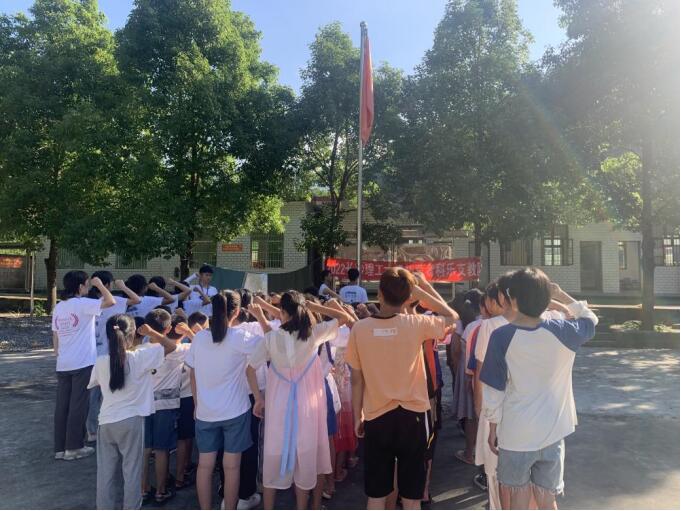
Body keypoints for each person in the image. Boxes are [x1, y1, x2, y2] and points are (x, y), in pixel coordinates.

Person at [481, 269, 598, 510]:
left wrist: (492, 427)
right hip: (554, 431)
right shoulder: (564, 331)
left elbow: (494, 390)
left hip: (515, 433)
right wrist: (562, 295)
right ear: (546, 299)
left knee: (518, 500)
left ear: (512, 298)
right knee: (547, 500)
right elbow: (590, 319)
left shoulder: (501, 336)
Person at [345, 268, 458, 510]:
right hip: (413, 416)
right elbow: (452, 317)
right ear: (407, 297)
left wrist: (357, 416)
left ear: (380, 294)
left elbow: (356, 379)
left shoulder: (360, 329)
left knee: (376, 493)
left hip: (376, 415)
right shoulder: (416, 324)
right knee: (412, 495)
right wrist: (421, 290)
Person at [245, 292, 354, 510]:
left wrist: (258, 398)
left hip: (278, 408)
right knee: (305, 459)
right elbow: (345, 317)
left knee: (273, 459)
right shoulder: (313, 334)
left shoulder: (271, 338)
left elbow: (250, 369)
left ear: (283, 312)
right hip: (308, 408)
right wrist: (317, 307)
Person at [185, 291, 266, 510]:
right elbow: (270, 343)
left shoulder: (200, 338)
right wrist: (262, 317)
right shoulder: (240, 337)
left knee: (204, 466)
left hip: (205, 412)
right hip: (236, 412)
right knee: (232, 467)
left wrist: (197, 404)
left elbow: (192, 373)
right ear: (237, 311)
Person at [88, 314, 175, 509]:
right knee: (132, 473)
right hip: (132, 421)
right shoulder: (140, 357)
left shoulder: (101, 361)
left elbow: (96, 384)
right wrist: (153, 333)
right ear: (133, 334)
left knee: (105, 474)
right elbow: (171, 346)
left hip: (106, 421)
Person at [52, 271, 115, 461]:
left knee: (62, 406)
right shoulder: (83, 304)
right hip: (82, 362)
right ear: (80, 287)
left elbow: (55, 335)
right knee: (79, 405)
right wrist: (100, 285)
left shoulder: (59, 306)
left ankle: (60, 448)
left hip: (63, 363)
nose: (89, 287)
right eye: (87, 284)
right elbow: (110, 301)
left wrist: (59, 354)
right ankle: (74, 447)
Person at [86, 272, 141, 442]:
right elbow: (136, 299)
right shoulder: (114, 301)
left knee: (93, 395)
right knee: (108, 394)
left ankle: (92, 430)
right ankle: (100, 429)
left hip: (92, 355)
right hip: (109, 353)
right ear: (109, 285)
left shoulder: (87, 302)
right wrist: (123, 286)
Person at [141, 309, 189, 505]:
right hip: (166, 406)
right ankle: (161, 491)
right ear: (168, 328)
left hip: (144, 404)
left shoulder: (141, 349)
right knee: (162, 449)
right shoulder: (177, 350)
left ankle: (143, 489)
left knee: (145, 449)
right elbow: (173, 345)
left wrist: (149, 334)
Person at [473, 276, 514, 507]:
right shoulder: (541, 322)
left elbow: (481, 372)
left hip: (494, 406)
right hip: (523, 410)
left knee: (496, 473)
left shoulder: (488, 326)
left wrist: (479, 407)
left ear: (497, 298)